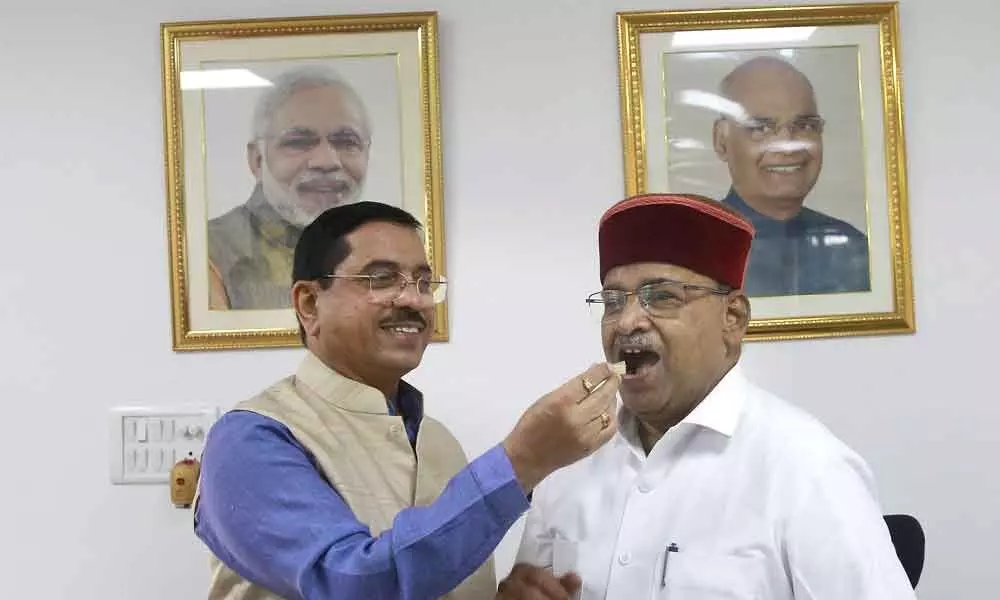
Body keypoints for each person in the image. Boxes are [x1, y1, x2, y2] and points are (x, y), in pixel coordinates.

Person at [193, 201, 622, 599]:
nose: (414, 300)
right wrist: (522, 461)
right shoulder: (253, 439)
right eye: (381, 279)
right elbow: (351, 583)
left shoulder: (438, 442)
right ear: (309, 303)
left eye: (423, 281)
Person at [500, 193, 916, 599]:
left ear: (732, 318)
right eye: (612, 302)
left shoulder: (809, 470)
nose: (626, 323)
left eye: (661, 296)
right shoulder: (569, 461)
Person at [207, 65, 373, 310]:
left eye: (347, 141)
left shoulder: (384, 251)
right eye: (298, 142)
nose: (326, 161)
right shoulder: (208, 254)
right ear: (257, 160)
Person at [712, 55, 871, 297]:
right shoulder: (692, 252)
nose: (789, 145)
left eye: (805, 126)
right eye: (761, 129)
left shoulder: (853, 249)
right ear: (722, 142)